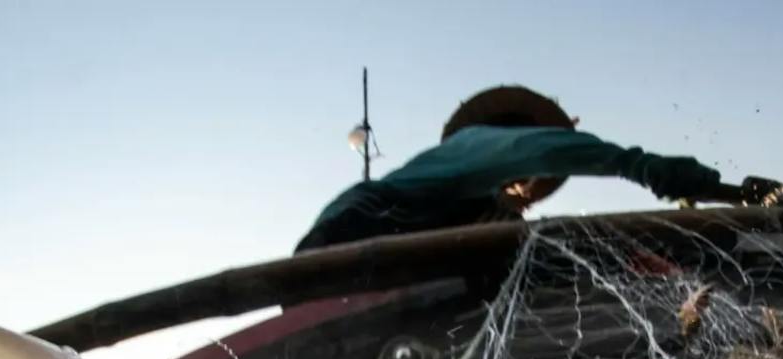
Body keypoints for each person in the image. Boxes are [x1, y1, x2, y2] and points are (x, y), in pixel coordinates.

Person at [295, 84, 753, 253]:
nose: (522, 187)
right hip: (356, 232)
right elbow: (613, 159)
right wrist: (703, 185)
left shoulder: (468, 188)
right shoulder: (489, 142)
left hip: (357, 237)